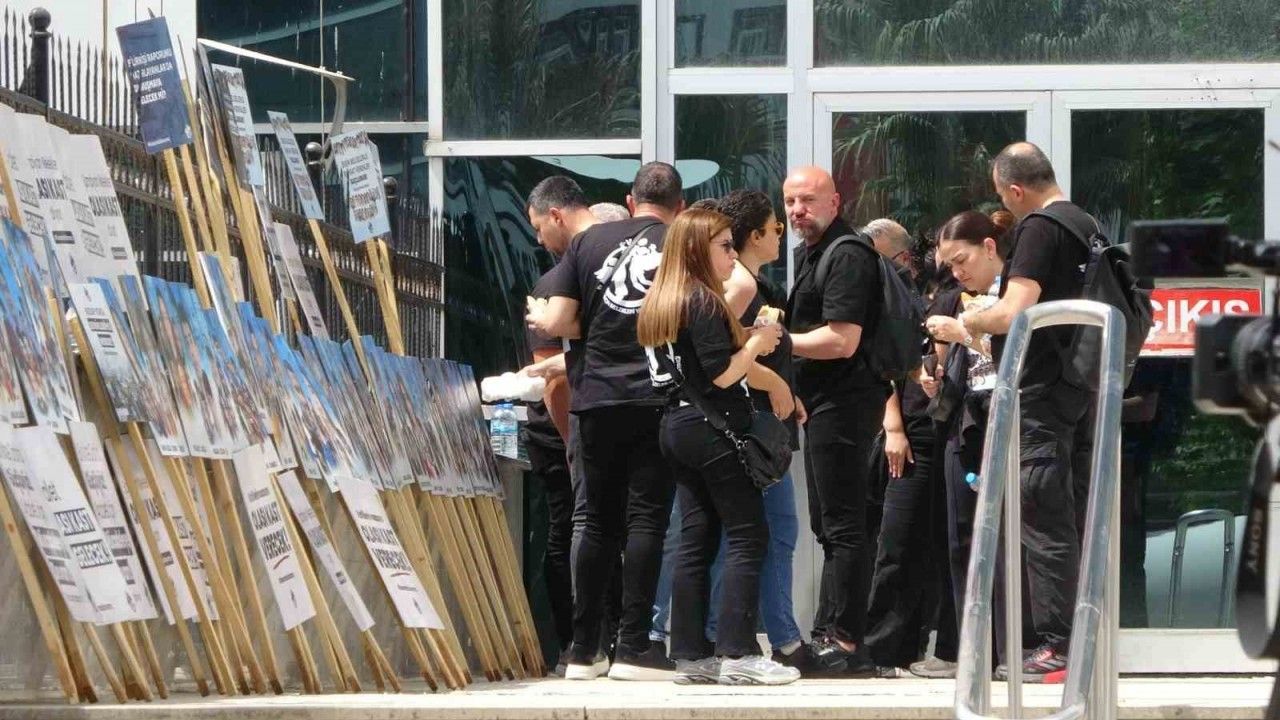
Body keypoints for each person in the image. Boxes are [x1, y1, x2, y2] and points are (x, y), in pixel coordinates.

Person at [527, 162, 686, 681]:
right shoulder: (681, 242)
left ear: (630, 200)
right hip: (654, 394)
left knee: (594, 521)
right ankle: (635, 646)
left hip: (595, 396)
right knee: (645, 520)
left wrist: (550, 318)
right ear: (680, 206)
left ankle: (584, 650)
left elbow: (559, 320)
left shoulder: (586, 244)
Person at [636, 208, 798, 685]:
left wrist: (747, 339)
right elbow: (723, 374)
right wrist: (757, 344)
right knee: (748, 534)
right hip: (711, 427)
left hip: (676, 425)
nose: (733, 255)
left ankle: (690, 654)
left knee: (698, 537)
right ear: (696, 250)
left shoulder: (663, 302)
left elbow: (697, 359)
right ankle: (737, 653)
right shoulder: (703, 300)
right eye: (725, 246)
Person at [958, 142, 1096, 681]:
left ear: (1016, 190)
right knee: (1068, 512)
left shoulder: (1040, 227)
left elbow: (1015, 310)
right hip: (1079, 388)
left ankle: (1057, 646)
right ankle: (1076, 640)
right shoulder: (1087, 225)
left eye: (1002, 196)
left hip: (1042, 392)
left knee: (1041, 512)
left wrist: (971, 321)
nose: (1004, 206)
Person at [782, 166, 892, 675]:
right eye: (790, 202)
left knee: (844, 525)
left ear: (835, 201)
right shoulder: (814, 253)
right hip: (823, 404)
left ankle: (845, 641)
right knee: (829, 524)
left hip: (845, 404)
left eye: (807, 200)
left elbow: (842, 341)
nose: (797, 210)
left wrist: (776, 342)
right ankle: (831, 632)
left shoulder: (846, 254)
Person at [922, 209, 1015, 677]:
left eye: (962, 261)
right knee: (961, 534)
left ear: (989, 247)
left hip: (1009, 416)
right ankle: (972, 646)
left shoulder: (1016, 292)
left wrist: (963, 331)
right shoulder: (961, 297)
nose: (957, 273)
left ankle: (1011, 646)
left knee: (1009, 536)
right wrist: (936, 372)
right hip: (967, 416)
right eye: (950, 266)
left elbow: (1020, 356)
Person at [861, 218, 949, 673]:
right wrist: (893, 425)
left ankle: (916, 647)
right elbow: (888, 365)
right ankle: (882, 650)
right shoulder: (893, 299)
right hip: (912, 431)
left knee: (937, 545)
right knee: (896, 542)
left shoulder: (939, 296)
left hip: (946, 429)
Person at [521, 176, 601, 656]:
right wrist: (572, 444)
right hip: (561, 432)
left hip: (583, 428)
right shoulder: (555, 285)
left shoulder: (578, 278)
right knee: (569, 528)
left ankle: (589, 639)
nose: (538, 240)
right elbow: (551, 376)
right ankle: (573, 640)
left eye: (538, 228)